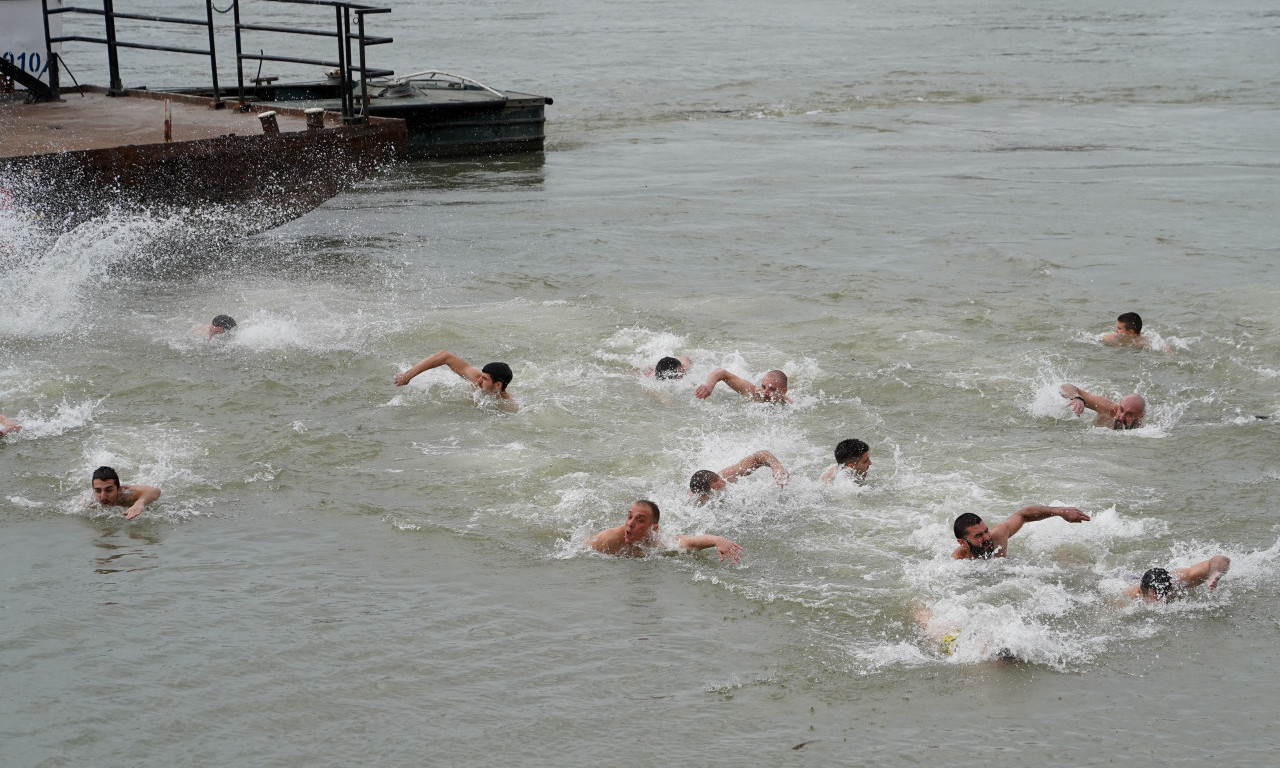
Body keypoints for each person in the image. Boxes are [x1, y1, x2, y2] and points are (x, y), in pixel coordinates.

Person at [586, 500, 743, 563]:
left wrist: (718, 541)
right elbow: (581, 551)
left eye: (640, 520)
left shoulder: (658, 542)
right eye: (629, 517)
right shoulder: (608, 539)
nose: (630, 524)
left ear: (653, 528)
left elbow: (690, 543)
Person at [951, 506, 1091, 560]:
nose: (987, 537)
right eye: (978, 536)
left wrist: (1059, 512)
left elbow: (1023, 515)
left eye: (986, 531)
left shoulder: (998, 534)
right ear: (963, 542)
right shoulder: (958, 560)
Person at [394, 349, 516, 406]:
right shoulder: (477, 379)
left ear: (498, 385)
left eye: (484, 379)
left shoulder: (508, 405)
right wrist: (408, 375)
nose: (478, 381)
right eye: (481, 377)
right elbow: (444, 356)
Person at [688, 450, 789, 504]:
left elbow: (760, 454)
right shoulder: (696, 496)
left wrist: (776, 467)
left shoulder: (727, 475)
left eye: (711, 490)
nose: (707, 495)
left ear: (717, 481)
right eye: (705, 494)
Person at [1122, 555, 1230, 602]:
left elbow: (1222, 559)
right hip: (1125, 577)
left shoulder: (1178, 579)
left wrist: (1215, 573)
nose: (1163, 602)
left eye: (1165, 596)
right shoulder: (1128, 597)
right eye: (1156, 600)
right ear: (1140, 592)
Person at [1059, 383, 1145, 430]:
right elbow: (1064, 387)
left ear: (1140, 416)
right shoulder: (1108, 408)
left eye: (1129, 415)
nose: (1121, 417)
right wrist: (1078, 398)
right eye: (1121, 410)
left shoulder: (1146, 427)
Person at [91, 466, 162, 520]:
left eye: (109, 490)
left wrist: (140, 502)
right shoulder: (90, 502)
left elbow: (155, 491)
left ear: (118, 489)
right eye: (98, 491)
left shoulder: (127, 495)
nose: (103, 497)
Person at [694, 368, 790, 404]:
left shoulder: (787, 404)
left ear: (784, 391)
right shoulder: (752, 392)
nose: (765, 393)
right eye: (763, 387)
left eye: (772, 389)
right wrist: (709, 385)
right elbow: (720, 372)